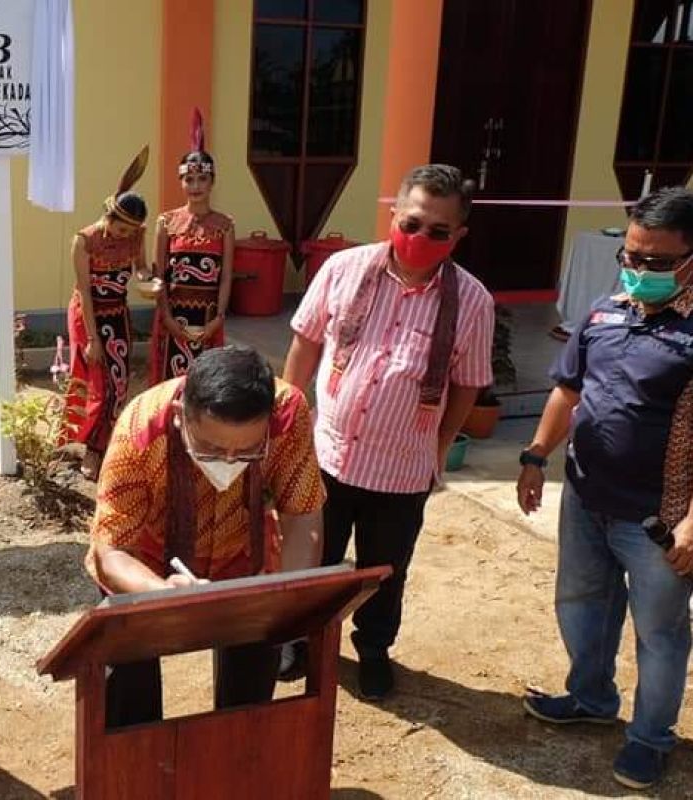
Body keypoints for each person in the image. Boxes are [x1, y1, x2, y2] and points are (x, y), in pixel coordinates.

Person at [282, 164, 494, 699]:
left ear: (458, 236)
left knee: (385, 569)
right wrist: (288, 416)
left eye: (438, 232)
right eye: (413, 223)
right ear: (394, 214)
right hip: (325, 454)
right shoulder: (343, 269)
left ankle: (373, 650)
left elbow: (467, 384)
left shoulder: (472, 301)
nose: (420, 238)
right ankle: (300, 642)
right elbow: (307, 342)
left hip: (401, 470)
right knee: (311, 557)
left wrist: (438, 448)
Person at [516, 187, 693, 791]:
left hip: (659, 519)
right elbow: (568, 392)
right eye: (632, 257)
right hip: (586, 498)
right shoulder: (605, 310)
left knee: (659, 633)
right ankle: (591, 697)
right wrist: (536, 454)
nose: (639, 271)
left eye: (656, 262)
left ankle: (649, 739)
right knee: (583, 606)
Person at [87, 345, 325, 726]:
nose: (229, 461)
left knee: (250, 691)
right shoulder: (138, 430)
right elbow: (112, 550)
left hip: (245, 554)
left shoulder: (288, 412)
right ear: (182, 417)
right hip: (145, 564)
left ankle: (234, 754)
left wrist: (288, 601)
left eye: (248, 450)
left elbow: (303, 513)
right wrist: (160, 593)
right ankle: (141, 768)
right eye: (212, 447)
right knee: (130, 692)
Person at [59, 146, 150, 480]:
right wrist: (94, 339)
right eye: (121, 230)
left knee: (120, 382)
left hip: (118, 312)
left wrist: (147, 279)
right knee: (96, 380)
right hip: (88, 315)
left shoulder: (135, 235)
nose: (125, 237)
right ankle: (91, 450)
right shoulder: (84, 240)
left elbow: (141, 269)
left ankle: (106, 443)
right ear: (109, 217)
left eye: (130, 233)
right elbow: (84, 291)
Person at [149, 109, 234, 384]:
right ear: (181, 181)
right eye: (189, 179)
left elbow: (225, 277)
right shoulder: (166, 222)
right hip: (173, 318)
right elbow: (158, 276)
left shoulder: (225, 225)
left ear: (212, 182)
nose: (195, 185)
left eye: (202, 179)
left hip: (208, 318)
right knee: (171, 386)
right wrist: (167, 319)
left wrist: (218, 318)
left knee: (205, 387)